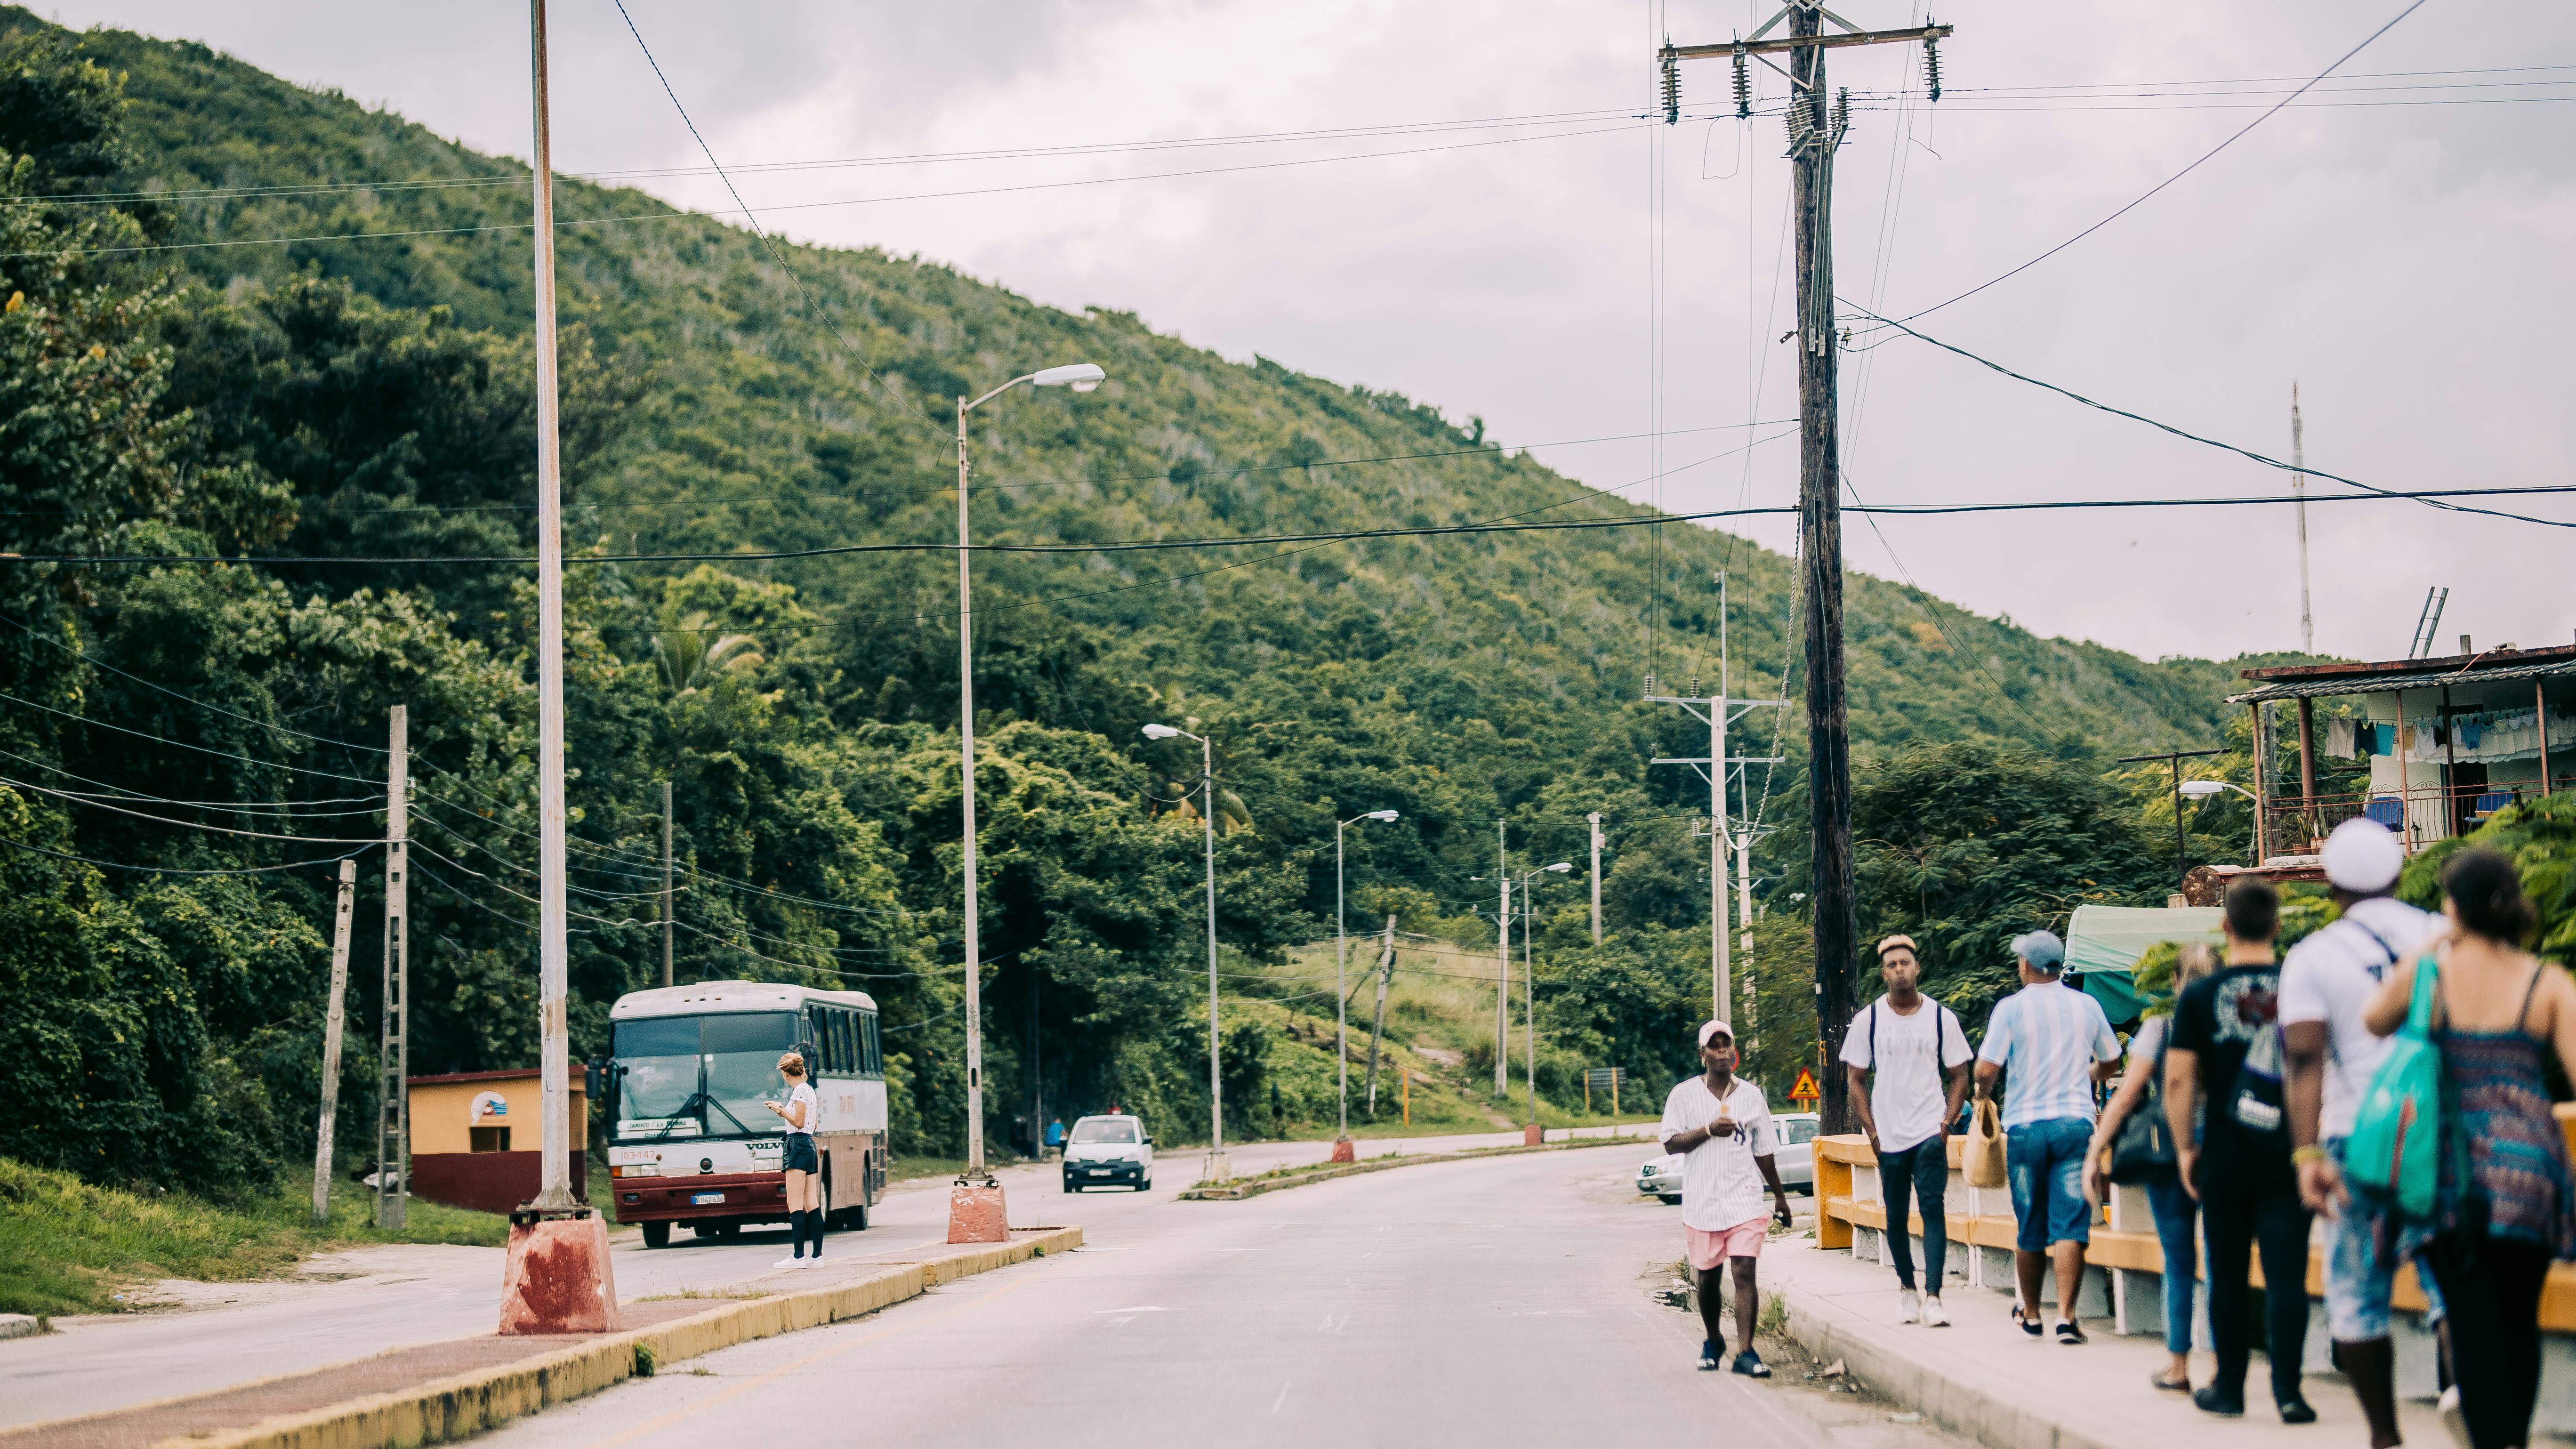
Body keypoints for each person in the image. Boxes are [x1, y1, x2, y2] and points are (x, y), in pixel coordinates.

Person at [2362, 848, 2576, 1449]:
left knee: (2472, 1323)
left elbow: (2374, 1020)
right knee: (2518, 1321)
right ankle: (2516, 1438)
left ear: (2452, 907)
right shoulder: (2547, 981)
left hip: (2452, 1175)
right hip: (2530, 1171)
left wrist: (2433, 947)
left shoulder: (2431, 971)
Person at [2282, 817, 2441, 1449]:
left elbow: (2304, 1060)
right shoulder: (2445, 936)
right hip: (2439, 1138)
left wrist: (2306, 1152)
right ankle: (2467, 1405)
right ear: (2401, 874)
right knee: (2449, 1283)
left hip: (2355, 1141)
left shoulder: (2312, 956)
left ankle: (2384, 1436)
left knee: (2355, 1291)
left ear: (2329, 882)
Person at [2168, 879, 2315, 1422]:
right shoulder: (2301, 988)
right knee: (2286, 1273)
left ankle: (2229, 1388)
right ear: (2277, 927)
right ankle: (2290, 1393)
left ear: (2225, 927)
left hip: (2225, 1151)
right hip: (2290, 1147)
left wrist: (2186, 1148)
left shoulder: (2201, 996)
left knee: (2226, 1271)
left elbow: (2179, 1081)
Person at [1974, 928, 2120, 1344]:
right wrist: (2087, 1075)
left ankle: (2033, 1314)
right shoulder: (2087, 1005)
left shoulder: (2011, 1009)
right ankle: (2068, 1319)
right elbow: (2112, 1058)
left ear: (2027, 966)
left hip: (2027, 1129)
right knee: (2071, 1225)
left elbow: (1986, 1070)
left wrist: (1983, 1094)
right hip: (2075, 1126)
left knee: (2030, 1226)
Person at [2087, 941, 2218, 1394]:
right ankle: (2222, 1367)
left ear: (2176, 982)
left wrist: (2095, 1151)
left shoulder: (2161, 1027)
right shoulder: (2232, 1023)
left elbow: (2126, 1096)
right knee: (2222, 1261)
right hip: (2222, 1149)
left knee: (2180, 1260)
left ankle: (2179, 1366)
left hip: (2170, 1150)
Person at [1841, 933, 1974, 1327]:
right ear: (1884, 973)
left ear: (1917, 968)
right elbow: (1855, 1080)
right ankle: (1907, 1290)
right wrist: (1873, 1132)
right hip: (1890, 1138)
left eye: (1906, 963)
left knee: (1933, 1209)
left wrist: (1945, 1125)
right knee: (1896, 1216)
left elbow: (1960, 1075)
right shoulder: (1870, 1019)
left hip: (1930, 1132)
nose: (1900, 970)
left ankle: (1934, 1297)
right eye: (1892, 965)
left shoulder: (1939, 1017)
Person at [1659, 1019, 1796, 1377]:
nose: (1722, 1051)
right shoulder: (1684, 1095)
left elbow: (1764, 1151)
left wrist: (1780, 1197)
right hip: (1703, 1201)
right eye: (1714, 1046)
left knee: (1745, 1271)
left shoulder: (1751, 1097)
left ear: (1734, 1052)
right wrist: (1708, 1130)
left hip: (1745, 1200)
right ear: (1702, 1053)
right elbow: (1671, 1143)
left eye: (1727, 1045)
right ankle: (1713, 1339)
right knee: (1707, 1277)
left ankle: (1747, 1353)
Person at [764, 1051, 822, 1268]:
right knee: (811, 1202)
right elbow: (812, 1124)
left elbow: (798, 1122)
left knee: (794, 1203)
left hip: (796, 1145)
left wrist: (780, 1110)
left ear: (786, 1074)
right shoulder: (811, 1091)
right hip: (809, 1144)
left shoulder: (798, 1092)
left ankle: (798, 1257)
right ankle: (817, 1256)